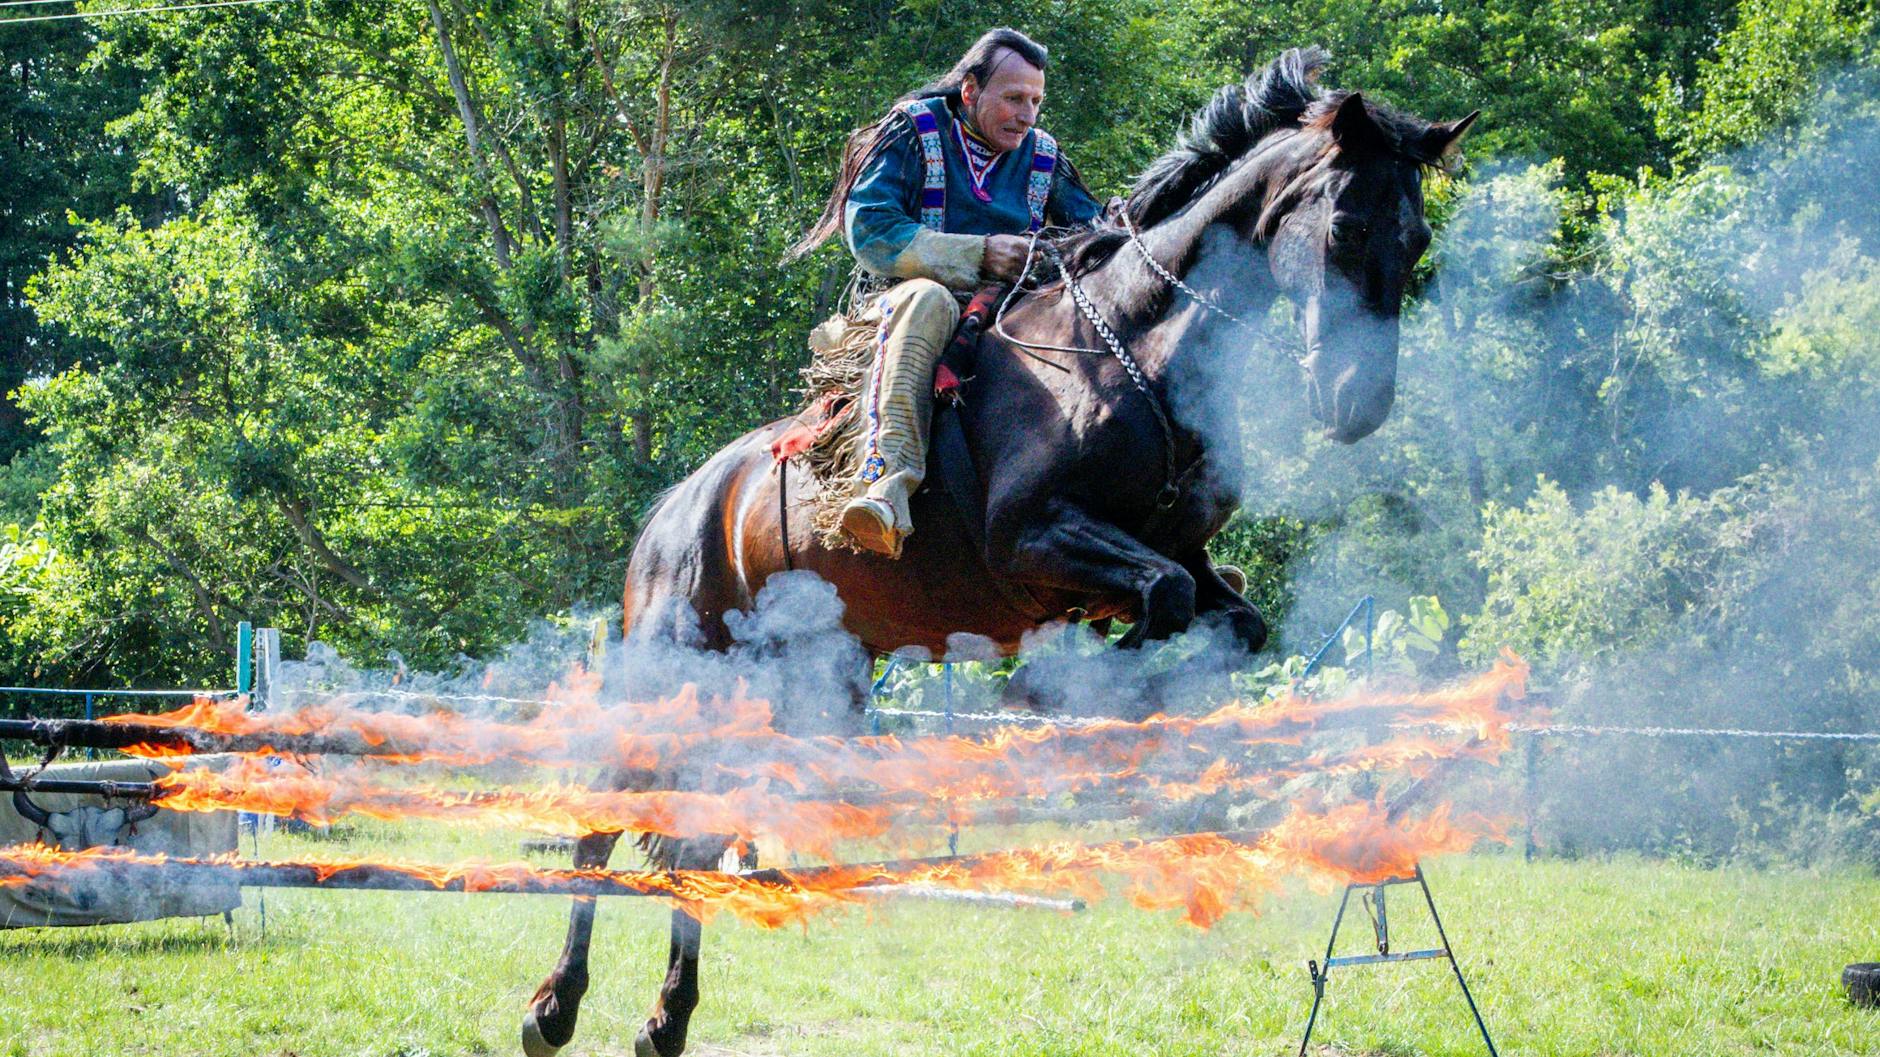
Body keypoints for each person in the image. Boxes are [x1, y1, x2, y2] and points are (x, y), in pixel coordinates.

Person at [787, 28, 1103, 557]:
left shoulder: (1045, 156)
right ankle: (884, 487)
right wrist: (978, 253)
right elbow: (872, 230)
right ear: (970, 91)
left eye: (1036, 102)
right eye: (1013, 98)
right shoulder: (913, 131)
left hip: (1009, 307)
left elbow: (1091, 237)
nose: (1027, 115)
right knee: (929, 300)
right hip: (904, 306)